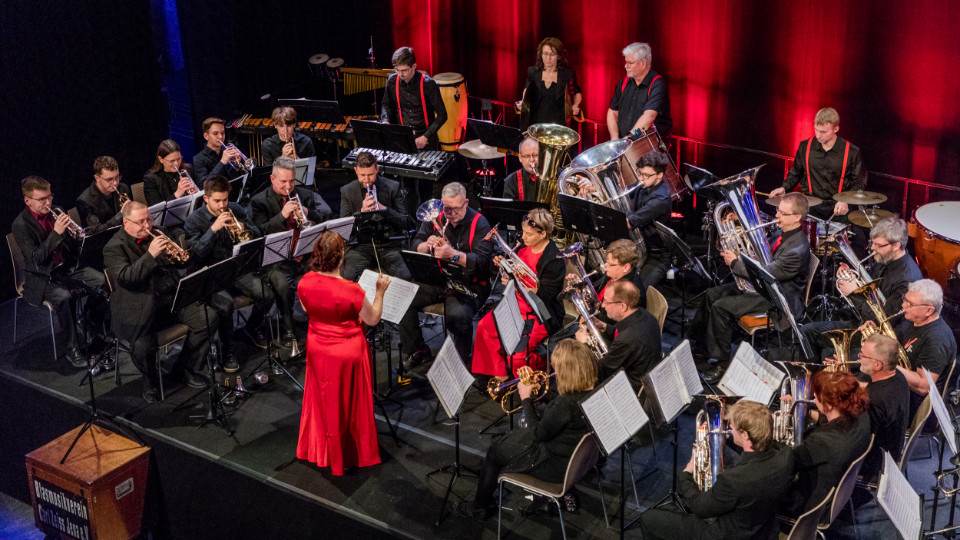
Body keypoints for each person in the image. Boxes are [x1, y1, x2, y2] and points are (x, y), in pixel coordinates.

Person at [457, 339, 596, 519]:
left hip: (552, 464)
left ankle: (480, 506)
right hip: (576, 460)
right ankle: (543, 501)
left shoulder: (565, 405)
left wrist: (525, 398)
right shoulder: (589, 391)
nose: (554, 371)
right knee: (512, 440)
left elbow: (538, 433)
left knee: (496, 450)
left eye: (556, 368)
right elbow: (559, 416)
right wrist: (540, 389)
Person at [296, 231, 390, 476]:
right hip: (346, 352)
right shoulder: (351, 289)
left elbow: (308, 309)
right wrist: (380, 292)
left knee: (323, 399)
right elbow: (372, 319)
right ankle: (348, 454)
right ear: (340, 258)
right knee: (349, 404)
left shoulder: (304, 281)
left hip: (317, 347)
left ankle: (323, 451)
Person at [694, 192, 812, 382]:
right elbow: (761, 254)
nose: (776, 216)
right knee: (712, 294)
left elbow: (767, 273)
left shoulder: (796, 249)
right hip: (763, 287)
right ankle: (701, 345)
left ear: (797, 217)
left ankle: (721, 364)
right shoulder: (782, 232)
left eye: (782, 213)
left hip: (778, 299)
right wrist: (738, 223)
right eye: (777, 210)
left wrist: (735, 263)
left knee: (721, 307)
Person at [103, 201, 214, 403]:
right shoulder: (113, 247)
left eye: (149, 219)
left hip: (169, 299)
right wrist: (151, 254)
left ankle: (183, 368)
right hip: (138, 308)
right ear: (126, 223)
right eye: (140, 222)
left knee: (208, 318)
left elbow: (183, 261)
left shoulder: (159, 231)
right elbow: (127, 278)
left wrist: (178, 255)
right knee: (141, 347)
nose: (147, 225)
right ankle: (150, 379)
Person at [639, 400, 795, 540]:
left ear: (745, 435)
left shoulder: (734, 480)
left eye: (732, 428)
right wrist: (729, 441)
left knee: (649, 519)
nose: (729, 429)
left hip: (726, 535)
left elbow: (700, 508)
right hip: (765, 531)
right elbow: (757, 449)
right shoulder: (785, 455)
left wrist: (687, 473)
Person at [12, 176, 107, 368]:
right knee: (64, 297)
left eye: (50, 196)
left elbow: (71, 244)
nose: (49, 203)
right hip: (43, 276)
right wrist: (56, 233)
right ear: (27, 200)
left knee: (102, 281)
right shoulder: (20, 225)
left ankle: (87, 321)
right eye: (42, 199)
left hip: (67, 268)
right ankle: (72, 349)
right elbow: (36, 259)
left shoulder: (58, 211)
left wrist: (75, 235)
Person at [339, 151, 424, 364]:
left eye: (370, 175)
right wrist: (360, 213)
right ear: (356, 172)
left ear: (377, 169)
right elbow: (344, 229)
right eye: (362, 176)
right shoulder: (347, 191)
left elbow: (407, 223)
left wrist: (384, 209)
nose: (366, 180)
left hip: (388, 244)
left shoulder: (392, 188)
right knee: (347, 277)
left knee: (405, 279)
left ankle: (413, 347)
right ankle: (351, 335)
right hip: (361, 245)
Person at [184, 175, 273, 371]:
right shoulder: (193, 220)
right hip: (211, 273)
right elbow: (196, 254)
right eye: (217, 201)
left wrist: (242, 228)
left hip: (235, 269)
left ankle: (251, 328)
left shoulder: (235, 208)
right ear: (206, 199)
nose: (222, 205)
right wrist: (213, 229)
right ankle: (228, 350)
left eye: (225, 199)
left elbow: (257, 234)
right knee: (226, 306)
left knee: (266, 294)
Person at [802, 217, 923, 359]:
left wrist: (853, 293)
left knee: (830, 355)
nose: (872, 248)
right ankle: (812, 377)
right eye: (873, 243)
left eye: (878, 245)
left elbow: (882, 322)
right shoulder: (885, 258)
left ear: (896, 245)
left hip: (879, 339)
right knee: (807, 331)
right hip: (863, 322)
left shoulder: (906, 281)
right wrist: (851, 276)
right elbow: (869, 287)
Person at [472, 208, 565, 382]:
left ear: (543, 234)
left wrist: (516, 284)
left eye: (529, 234)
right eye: (523, 232)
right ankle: (501, 377)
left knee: (519, 348)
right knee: (484, 326)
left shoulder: (554, 259)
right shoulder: (523, 246)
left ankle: (532, 383)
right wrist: (503, 266)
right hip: (515, 304)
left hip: (540, 313)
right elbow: (515, 272)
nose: (523, 237)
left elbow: (545, 295)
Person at [405, 182, 493, 365]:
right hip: (439, 280)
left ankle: (462, 360)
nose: (450, 214)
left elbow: (483, 264)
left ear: (466, 203)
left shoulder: (480, 224)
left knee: (458, 316)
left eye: (455, 209)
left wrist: (453, 255)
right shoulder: (436, 216)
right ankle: (418, 349)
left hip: (469, 285)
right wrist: (427, 246)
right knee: (403, 298)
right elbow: (415, 245)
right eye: (447, 209)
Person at [250, 156, 328, 349]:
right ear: (272, 179)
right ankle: (289, 329)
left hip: (303, 253)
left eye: (292, 181)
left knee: (324, 277)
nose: (289, 186)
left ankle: (321, 324)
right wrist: (282, 216)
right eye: (283, 181)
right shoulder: (259, 201)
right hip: (277, 259)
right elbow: (259, 232)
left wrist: (309, 214)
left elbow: (321, 220)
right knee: (283, 285)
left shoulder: (304, 194)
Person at [785, 370, 871, 515]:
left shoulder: (820, 440)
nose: (813, 397)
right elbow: (837, 421)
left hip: (810, 507)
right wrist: (810, 414)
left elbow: (788, 464)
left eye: (816, 396)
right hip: (837, 495)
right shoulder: (862, 417)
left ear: (829, 406)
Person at [769, 108, 866, 223]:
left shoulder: (852, 152)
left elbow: (859, 183)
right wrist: (784, 187)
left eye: (823, 132)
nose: (818, 135)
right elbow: (796, 173)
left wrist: (846, 200)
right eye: (816, 130)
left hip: (839, 206)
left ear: (836, 129)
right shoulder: (806, 147)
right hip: (812, 204)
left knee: (856, 235)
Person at [379, 46, 447, 205]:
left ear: (414, 67)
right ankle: (411, 225)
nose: (401, 75)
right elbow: (385, 105)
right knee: (407, 188)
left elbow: (443, 115)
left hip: (426, 138)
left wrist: (426, 136)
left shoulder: (428, 84)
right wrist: (385, 120)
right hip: (404, 138)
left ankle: (425, 223)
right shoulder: (392, 81)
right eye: (397, 70)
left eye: (404, 70)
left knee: (425, 189)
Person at [879, 279, 957, 414]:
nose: (903, 305)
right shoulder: (912, 318)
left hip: (912, 404)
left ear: (928, 310)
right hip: (896, 383)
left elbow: (923, 386)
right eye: (905, 299)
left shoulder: (937, 340)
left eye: (909, 303)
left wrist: (887, 363)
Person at [576, 280, 660, 392]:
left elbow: (601, 372)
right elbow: (622, 331)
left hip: (628, 389)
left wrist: (584, 345)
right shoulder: (645, 315)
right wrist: (603, 326)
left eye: (606, 301)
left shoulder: (627, 339)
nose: (603, 305)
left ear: (622, 306)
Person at [856, 334, 910, 482]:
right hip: (890, 451)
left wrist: (819, 413)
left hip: (872, 463)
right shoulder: (898, 377)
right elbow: (878, 390)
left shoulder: (872, 401)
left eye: (862, 355)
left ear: (877, 365)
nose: (858, 357)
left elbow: (856, 441)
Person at [625, 151, 673, 289]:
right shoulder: (645, 183)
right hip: (639, 248)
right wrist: (594, 189)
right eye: (640, 173)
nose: (641, 178)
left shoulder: (660, 199)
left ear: (660, 175)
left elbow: (629, 222)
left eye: (646, 175)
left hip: (656, 256)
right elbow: (623, 193)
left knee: (635, 291)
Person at [606, 42, 672, 140]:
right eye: (626, 62)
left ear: (643, 63)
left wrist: (630, 138)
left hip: (649, 148)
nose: (626, 66)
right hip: (626, 143)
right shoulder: (623, 83)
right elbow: (612, 112)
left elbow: (648, 118)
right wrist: (615, 138)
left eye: (630, 63)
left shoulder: (657, 84)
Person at [517, 37, 583, 129]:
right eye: (545, 54)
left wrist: (575, 106)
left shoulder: (567, 73)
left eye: (552, 54)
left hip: (558, 122)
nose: (548, 58)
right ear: (541, 54)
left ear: (559, 56)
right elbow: (526, 89)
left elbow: (577, 92)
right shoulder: (533, 71)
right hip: (536, 120)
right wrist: (524, 102)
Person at [76, 156, 133, 234]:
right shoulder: (85, 201)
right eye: (109, 179)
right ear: (97, 178)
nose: (115, 183)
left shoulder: (123, 188)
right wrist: (121, 214)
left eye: (117, 177)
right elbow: (96, 231)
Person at [142, 139, 200, 206]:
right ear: (161, 159)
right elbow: (156, 208)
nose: (176, 164)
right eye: (172, 161)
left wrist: (195, 195)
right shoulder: (151, 179)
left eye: (179, 159)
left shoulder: (188, 169)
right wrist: (178, 194)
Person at [192, 117, 244, 182]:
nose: (220, 137)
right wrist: (222, 162)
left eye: (222, 133)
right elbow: (204, 184)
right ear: (206, 136)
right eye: (215, 133)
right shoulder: (198, 159)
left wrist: (236, 165)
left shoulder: (226, 153)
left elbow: (238, 180)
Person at [501, 137, 540, 201]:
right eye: (527, 156)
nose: (532, 159)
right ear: (520, 158)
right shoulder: (511, 181)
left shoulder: (554, 177)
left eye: (535, 155)